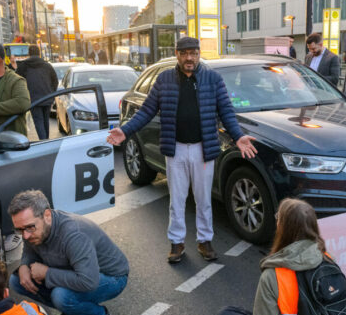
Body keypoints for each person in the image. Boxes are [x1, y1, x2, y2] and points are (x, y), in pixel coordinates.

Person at [106, 37, 257, 264]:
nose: (189, 58)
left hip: (203, 150)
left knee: (204, 199)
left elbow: (226, 111)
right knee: (176, 200)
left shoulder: (213, 79)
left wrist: (238, 136)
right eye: (185, 53)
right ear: (177, 54)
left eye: (194, 53)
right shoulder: (164, 79)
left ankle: (205, 241)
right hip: (175, 150)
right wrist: (125, 131)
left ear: (198, 54)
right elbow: (147, 111)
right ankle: (177, 244)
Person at [217, 198, 342, 315]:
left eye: (278, 219)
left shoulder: (274, 275)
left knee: (227, 314)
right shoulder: (328, 260)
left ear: (284, 229)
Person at [8, 189, 129, 315]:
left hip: (111, 276)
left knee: (61, 296)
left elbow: (88, 281)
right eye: (20, 230)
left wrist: (47, 273)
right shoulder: (34, 228)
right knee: (16, 281)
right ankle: (74, 311)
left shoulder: (74, 235)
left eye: (29, 228)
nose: (25, 236)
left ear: (47, 215)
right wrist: (24, 265)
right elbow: (29, 250)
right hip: (75, 270)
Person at [16, 44, 58, 140]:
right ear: (39, 53)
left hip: (33, 99)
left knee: (38, 121)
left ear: (29, 53)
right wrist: (51, 94)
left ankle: (44, 142)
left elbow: (17, 81)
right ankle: (46, 140)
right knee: (45, 121)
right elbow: (55, 81)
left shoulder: (23, 66)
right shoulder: (47, 66)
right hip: (47, 97)